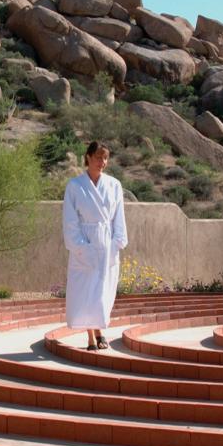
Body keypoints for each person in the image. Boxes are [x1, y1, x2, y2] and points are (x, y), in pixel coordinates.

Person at [62, 141, 129, 350]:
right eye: (99, 157)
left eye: (106, 158)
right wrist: (81, 246)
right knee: (84, 291)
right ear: (88, 157)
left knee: (102, 292)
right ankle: (91, 335)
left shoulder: (114, 184)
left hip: (107, 244)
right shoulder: (75, 186)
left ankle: (99, 330)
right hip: (85, 242)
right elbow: (70, 220)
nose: (103, 162)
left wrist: (118, 240)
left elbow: (119, 216)